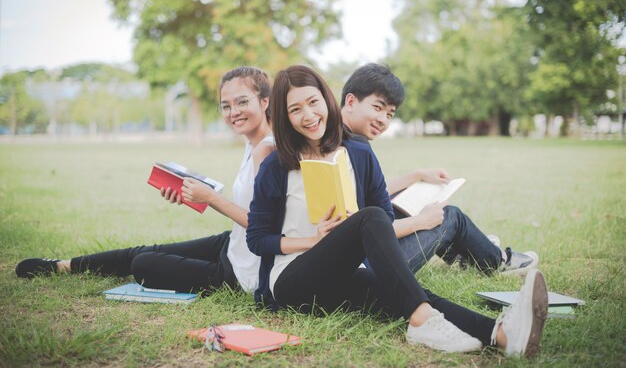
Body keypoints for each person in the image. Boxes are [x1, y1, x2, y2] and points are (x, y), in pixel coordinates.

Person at [246, 64, 548, 356]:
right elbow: (257, 240)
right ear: (285, 117)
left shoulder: (359, 152)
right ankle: (422, 324)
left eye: (313, 102)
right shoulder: (277, 165)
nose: (308, 115)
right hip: (291, 283)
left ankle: (502, 335)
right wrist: (314, 241)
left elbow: (385, 220)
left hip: (343, 273)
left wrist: (349, 230)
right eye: (295, 109)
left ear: (326, 99)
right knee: (372, 220)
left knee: (407, 292)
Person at [15, 66, 275, 295]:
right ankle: (63, 266)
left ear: (264, 102)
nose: (233, 112)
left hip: (242, 274)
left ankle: (66, 266)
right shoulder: (252, 142)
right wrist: (197, 190)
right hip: (233, 244)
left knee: (144, 263)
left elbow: (266, 228)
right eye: (226, 106)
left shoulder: (267, 150)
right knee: (143, 251)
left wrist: (211, 198)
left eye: (242, 102)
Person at [340, 63, 539, 276]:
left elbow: (364, 200)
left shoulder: (342, 138)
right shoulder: (352, 148)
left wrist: (416, 176)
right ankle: (496, 261)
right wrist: (421, 221)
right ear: (351, 101)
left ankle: (463, 254)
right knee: (449, 216)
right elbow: (356, 228)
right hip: (369, 267)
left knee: (404, 199)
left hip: (362, 254)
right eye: (378, 108)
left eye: (389, 114)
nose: (383, 120)